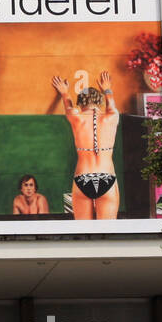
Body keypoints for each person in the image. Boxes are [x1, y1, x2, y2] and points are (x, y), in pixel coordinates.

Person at [51, 70, 121, 221]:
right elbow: (111, 106)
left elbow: (69, 107)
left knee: (83, 233)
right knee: (108, 233)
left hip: (83, 178)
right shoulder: (112, 117)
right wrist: (107, 90)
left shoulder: (76, 118)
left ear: (81, 103)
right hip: (107, 177)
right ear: (100, 101)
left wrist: (64, 92)